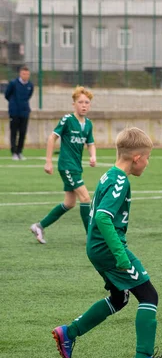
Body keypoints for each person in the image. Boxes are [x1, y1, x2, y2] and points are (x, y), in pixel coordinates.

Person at [52, 127, 162, 358]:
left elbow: (93, 212)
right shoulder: (120, 181)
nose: (148, 163)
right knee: (149, 296)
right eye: (148, 158)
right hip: (110, 250)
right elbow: (102, 216)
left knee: (119, 298)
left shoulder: (108, 175)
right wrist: (120, 255)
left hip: (98, 248)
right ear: (137, 158)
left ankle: (69, 332)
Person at [30, 86, 96, 244]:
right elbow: (52, 138)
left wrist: (93, 156)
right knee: (86, 198)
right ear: (74, 104)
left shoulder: (88, 124)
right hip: (67, 166)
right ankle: (91, 237)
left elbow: (91, 143)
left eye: (87, 102)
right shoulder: (67, 120)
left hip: (76, 167)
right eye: (80, 102)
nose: (84, 105)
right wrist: (48, 161)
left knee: (69, 203)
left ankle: (39, 226)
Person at [4, 65, 34, 160]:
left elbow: (29, 96)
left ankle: (19, 152)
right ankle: (14, 153)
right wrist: (14, 104)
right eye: (24, 74)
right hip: (14, 112)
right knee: (14, 132)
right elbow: (7, 95)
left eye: (27, 74)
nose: (26, 76)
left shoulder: (30, 85)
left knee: (22, 132)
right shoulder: (13, 83)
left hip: (24, 112)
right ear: (20, 74)